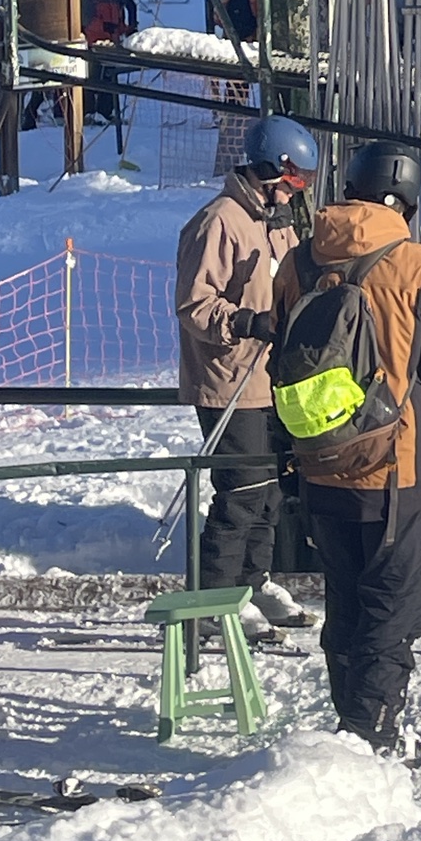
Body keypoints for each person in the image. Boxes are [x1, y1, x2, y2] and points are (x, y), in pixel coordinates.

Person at [272, 138, 421, 756]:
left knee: (345, 607)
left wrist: (290, 455)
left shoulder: (300, 263)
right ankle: (370, 743)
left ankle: (352, 735)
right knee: (393, 614)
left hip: (320, 460)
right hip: (398, 468)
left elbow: (280, 363)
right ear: (409, 200)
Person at [175, 113, 320, 640]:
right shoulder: (220, 221)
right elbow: (193, 304)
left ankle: (252, 582)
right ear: (267, 170)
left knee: (271, 491)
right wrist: (244, 322)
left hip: (269, 377)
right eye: (291, 183)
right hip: (228, 378)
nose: (293, 195)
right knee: (240, 491)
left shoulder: (271, 223)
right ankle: (215, 599)